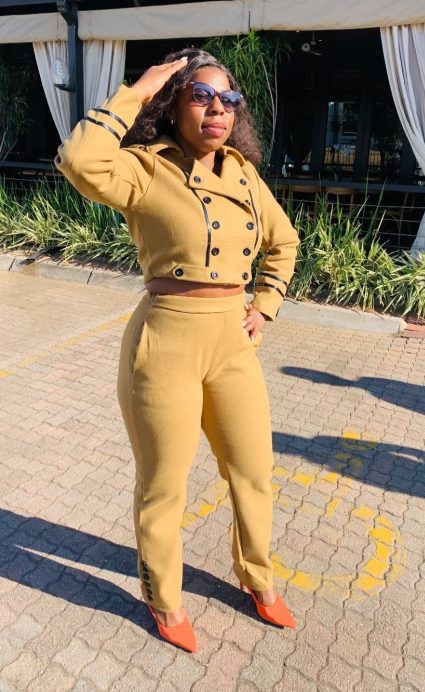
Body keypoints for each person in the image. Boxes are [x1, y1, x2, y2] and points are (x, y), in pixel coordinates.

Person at [55, 47, 300, 653]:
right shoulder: (144, 168)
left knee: (252, 470)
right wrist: (142, 86)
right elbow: (78, 159)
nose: (218, 109)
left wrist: (265, 305)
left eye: (228, 99)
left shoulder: (243, 173)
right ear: (173, 106)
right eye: (201, 95)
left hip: (232, 342)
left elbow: (284, 241)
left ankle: (257, 577)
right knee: (164, 484)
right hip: (165, 339)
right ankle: (163, 597)